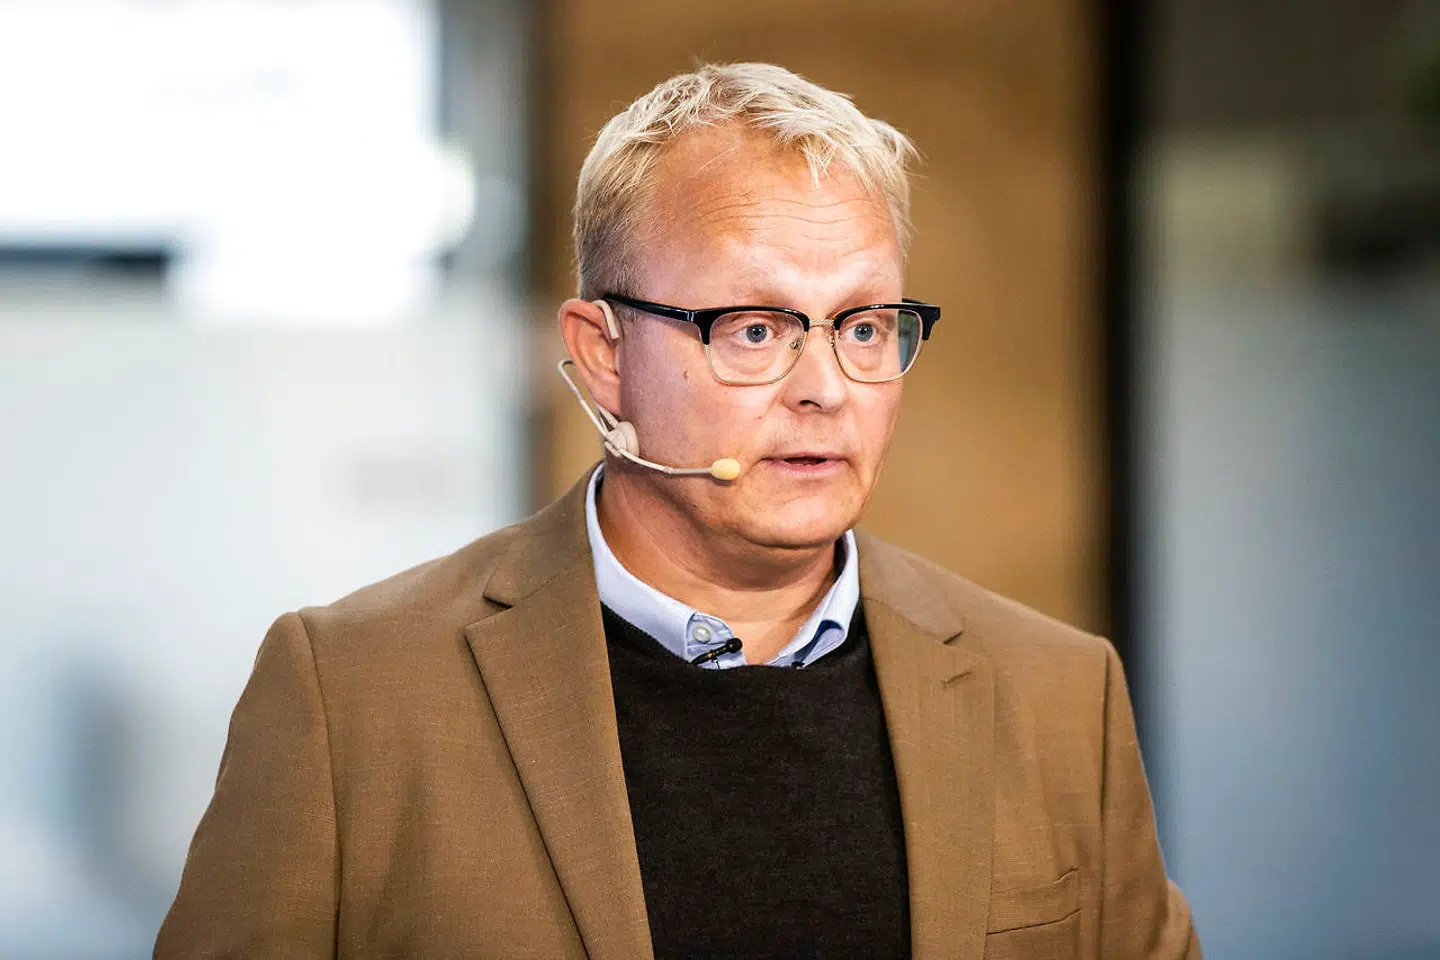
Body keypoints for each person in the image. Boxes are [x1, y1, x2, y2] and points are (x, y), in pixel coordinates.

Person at [156, 63, 1199, 958]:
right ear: (603, 354)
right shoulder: (355, 698)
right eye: (754, 329)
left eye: (866, 326)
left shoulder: (1060, 695)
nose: (825, 387)